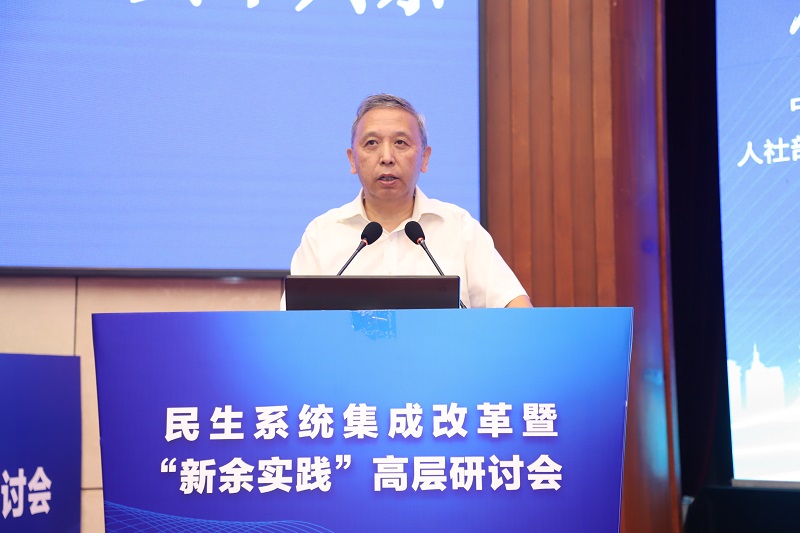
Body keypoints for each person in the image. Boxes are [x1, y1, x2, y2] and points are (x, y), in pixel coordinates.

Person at [288, 94, 532, 308]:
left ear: (424, 158)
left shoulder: (459, 228)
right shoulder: (321, 235)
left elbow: (516, 307)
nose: (386, 157)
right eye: (371, 143)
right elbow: (291, 325)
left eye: (400, 143)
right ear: (352, 160)